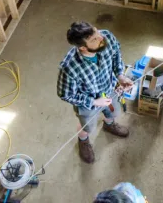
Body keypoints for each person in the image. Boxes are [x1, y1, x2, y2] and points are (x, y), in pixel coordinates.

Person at [57, 21, 134, 163]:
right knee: (87, 125)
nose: (100, 37)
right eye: (94, 39)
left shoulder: (107, 37)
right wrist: (93, 102)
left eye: (96, 31)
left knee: (113, 112)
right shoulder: (69, 67)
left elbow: (116, 54)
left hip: (110, 88)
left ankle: (109, 125)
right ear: (82, 48)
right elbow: (65, 94)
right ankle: (83, 140)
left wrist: (120, 75)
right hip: (88, 101)